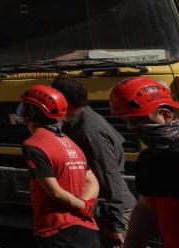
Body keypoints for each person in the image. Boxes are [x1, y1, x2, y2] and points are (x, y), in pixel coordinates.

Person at [109, 77, 179, 248]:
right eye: (128, 122)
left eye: (138, 121)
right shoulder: (148, 159)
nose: (132, 128)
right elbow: (146, 209)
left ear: (166, 115)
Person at [51, 78, 133, 247]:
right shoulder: (78, 124)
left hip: (116, 212)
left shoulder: (90, 130)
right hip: (106, 209)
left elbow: (111, 178)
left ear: (64, 101)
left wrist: (116, 225)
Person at [18, 85, 100, 247]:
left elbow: (55, 192)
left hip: (56, 231)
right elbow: (92, 181)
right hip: (86, 230)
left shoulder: (34, 145)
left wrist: (82, 207)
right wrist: (87, 204)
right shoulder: (71, 144)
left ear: (32, 112)